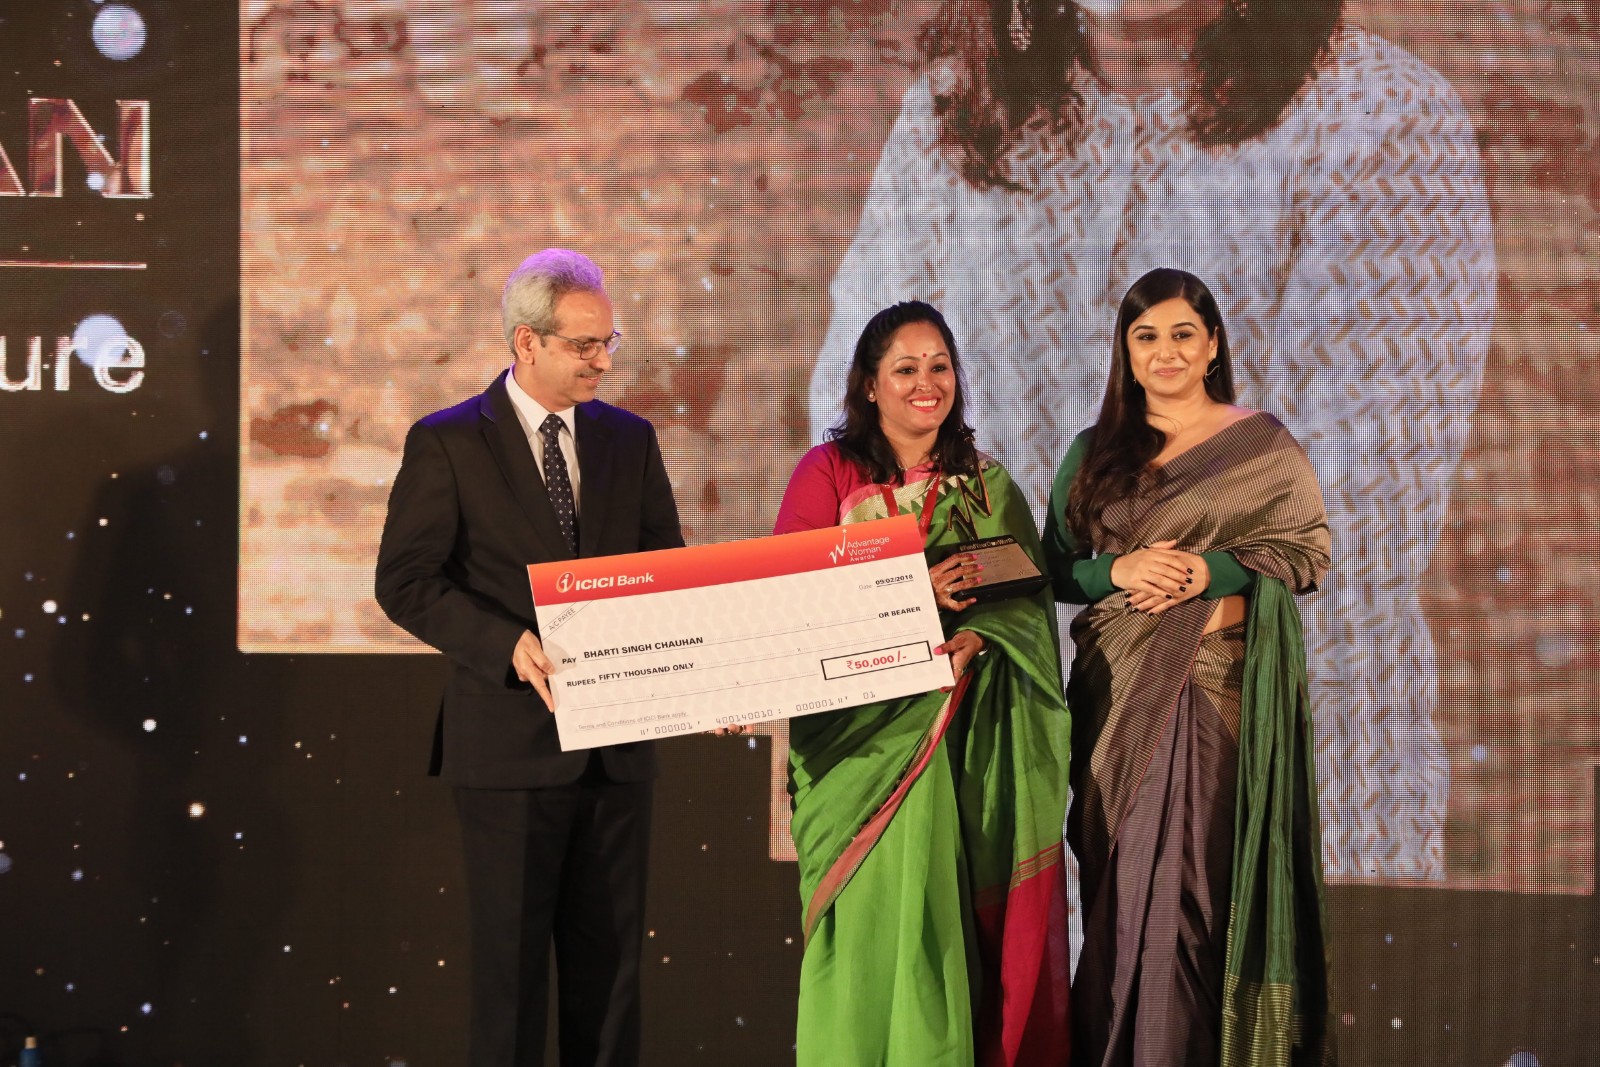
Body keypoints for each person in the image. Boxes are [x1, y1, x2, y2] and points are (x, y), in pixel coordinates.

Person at [810, 0, 1495, 881]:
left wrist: (1093, 589)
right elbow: (862, 461)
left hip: (1259, 758)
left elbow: (1352, 510)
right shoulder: (957, 109)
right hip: (991, 749)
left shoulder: (1381, 119)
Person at [374, 249, 683, 1067]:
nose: (603, 361)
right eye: (584, 345)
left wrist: (705, 670)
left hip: (617, 750)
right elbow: (404, 581)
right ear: (527, 342)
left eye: (609, 341)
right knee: (509, 984)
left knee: (612, 985)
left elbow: (665, 570)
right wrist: (504, 643)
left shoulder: (630, 440)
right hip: (508, 750)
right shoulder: (447, 441)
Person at [1042, 268, 1333, 1066]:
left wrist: (1213, 570)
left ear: (1212, 346)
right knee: (1124, 904)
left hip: (1213, 696)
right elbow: (1054, 569)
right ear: (1126, 351)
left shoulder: (1261, 445)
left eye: (1181, 334)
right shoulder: (1093, 451)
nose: (1165, 351)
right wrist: (1121, 569)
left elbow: (1306, 550)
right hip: (1117, 700)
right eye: (1146, 336)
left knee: (1193, 900)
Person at [773, 300, 1072, 1065]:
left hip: (955, 738)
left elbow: (1026, 605)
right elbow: (788, 596)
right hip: (853, 743)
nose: (925, 383)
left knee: (937, 916)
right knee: (864, 917)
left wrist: (978, 636)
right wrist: (912, 589)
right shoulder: (828, 474)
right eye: (905, 368)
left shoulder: (986, 486)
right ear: (870, 385)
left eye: (939, 366)